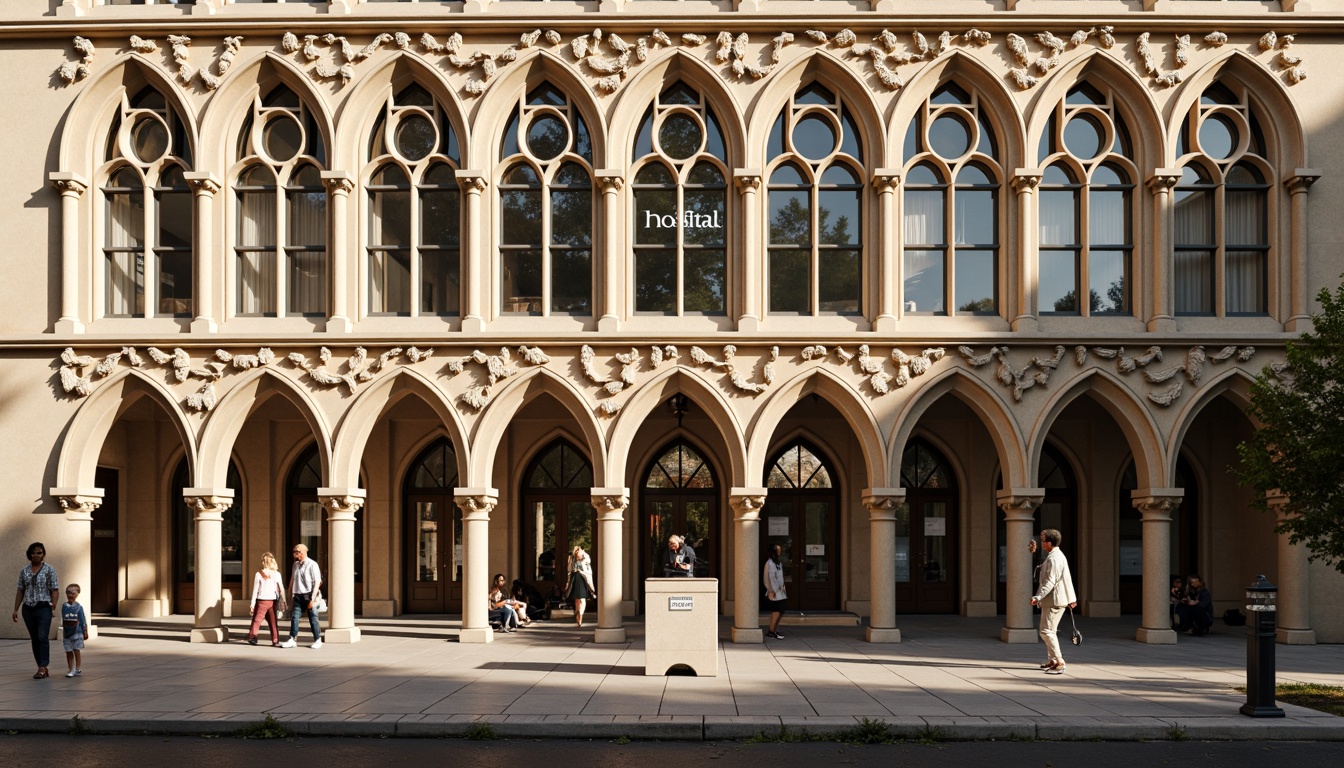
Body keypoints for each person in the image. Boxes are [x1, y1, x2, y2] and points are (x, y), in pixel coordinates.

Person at [1030, 529, 1078, 675]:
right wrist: (1035, 553)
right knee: (1047, 630)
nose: (1042, 543)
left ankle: (1060, 661)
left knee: (1047, 631)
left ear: (1049, 543)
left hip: (1055, 600)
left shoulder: (1054, 558)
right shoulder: (1054, 556)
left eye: (1043, 541)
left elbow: (1050, 581)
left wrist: (1037, 596)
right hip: (1053, 600)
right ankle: (1052, 660)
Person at [12, 542, 60, 679]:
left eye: (39, 552)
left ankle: (44, 666)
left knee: (42, 636)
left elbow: (55, 589)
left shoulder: (49, 570)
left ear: (43, 554)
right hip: (28, 608)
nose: (36, 555)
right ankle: (41, 666)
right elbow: (20, 590)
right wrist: (15, 609)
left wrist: (53, 604)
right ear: (30, 554)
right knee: (34, 638)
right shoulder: (24, 571)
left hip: (43, 607)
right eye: (33, 552)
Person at [280, 543, 323, 649]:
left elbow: (317, 581)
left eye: (297, 552)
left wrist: (313, 597)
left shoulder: (312, 564)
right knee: (295, 617)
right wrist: (290, 593)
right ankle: (292, 638)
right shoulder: (295, 565)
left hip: (308, 595)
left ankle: (317, 639)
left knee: (313, 617)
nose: (295, 554)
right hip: (298, 595)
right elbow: (292, 579)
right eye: (294, 552)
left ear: (303, 552)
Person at [247, 552, 287, 646]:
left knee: (257, 619)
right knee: (273, 621)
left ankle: (252, 636)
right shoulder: (277, 574)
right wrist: (284, 601)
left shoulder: (259, 574)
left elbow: (255, 590)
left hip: (262, 600)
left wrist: (252, 603)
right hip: (273, 600)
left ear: (263, 562)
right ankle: (275, 639)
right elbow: (281, 589)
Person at [60, 583, 88, 678]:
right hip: (67, 632)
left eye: (72, 593)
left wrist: (85, 631)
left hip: (77, 632)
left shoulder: (79, 607)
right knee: (68, 651)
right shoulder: (64, 606)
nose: (70, 595)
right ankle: (70, 668)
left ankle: (77, 668)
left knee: (76, 650)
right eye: (68, 593)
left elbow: (83, 619)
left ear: (77, 594)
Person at [763, 543, 788, 640]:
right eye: (778, 550)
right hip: (775, 592)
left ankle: (775, 630)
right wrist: (772, 590)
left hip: (780, 592)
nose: (780, 551)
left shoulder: (778, 563)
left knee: (780, 611)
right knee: (776, 611)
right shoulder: (770, 563)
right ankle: (772, 631)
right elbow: (770, 578)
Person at [566, 546, 595, 628]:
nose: (578, 555)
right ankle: (577, 611)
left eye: (579, 553)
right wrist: (567, 583)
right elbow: (569, 571)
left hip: (583, 578)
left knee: (582, 599)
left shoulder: (585, 558)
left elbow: (588, 564)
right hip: (575, 578)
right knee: (577, 599)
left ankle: (581, 615)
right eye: (576, 553)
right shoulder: (572, 559)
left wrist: (583, 553)